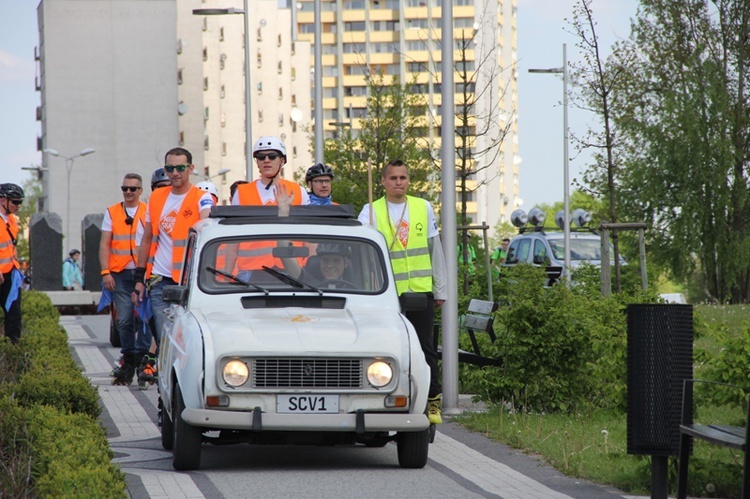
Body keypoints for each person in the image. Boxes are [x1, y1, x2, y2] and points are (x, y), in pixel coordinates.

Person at [357, 159, 448, 424]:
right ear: (383, 182)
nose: (399, 182)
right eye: (393, 178)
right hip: (386, 294)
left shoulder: (423, 207)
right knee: (385, 347)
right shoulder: (370, 211)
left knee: (425, 348)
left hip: (420, 291)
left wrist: (440, 288)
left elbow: (435, 250)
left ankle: (432, 401)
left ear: (409, 181)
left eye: (403, 178)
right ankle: (385, 398)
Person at [132, 148, 214, 392]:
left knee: (184, 340)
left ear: (191, 168)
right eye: (170, 168)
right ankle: (164, 393)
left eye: (180, 168)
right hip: (159, 279)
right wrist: (139, 278)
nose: (175, 173)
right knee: (164, 339)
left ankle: (183, 387)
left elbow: (208, 220)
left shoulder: (202, 197)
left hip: (188, 283)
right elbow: (147, 239)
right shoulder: (156, 199)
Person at [100, 173, 151, 386]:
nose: (128, 192)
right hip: (120, 274)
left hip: (143, 273)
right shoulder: (112, 212)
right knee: (125, 319)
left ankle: (143, 359)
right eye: (125, 188)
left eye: (133, 189)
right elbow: (104, 244)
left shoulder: (149, 210)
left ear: (140, 191)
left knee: (145, 319)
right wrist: (105, 272)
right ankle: (128, 358)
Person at [231, 136, 310, 206]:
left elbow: (306, 222)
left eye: (272, 156)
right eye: (261, 157)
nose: (266, 160)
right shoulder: (240, 193)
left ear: (282, 161)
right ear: (257, 162)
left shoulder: (299, 191)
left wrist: (285, 210)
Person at [0, 183, 24, 343]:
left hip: (10, 274)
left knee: (14, 315)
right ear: (3, 200)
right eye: (15, 202)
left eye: (20, 202)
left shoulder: (12, 221)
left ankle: (13, 350)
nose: (18, 206)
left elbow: (11, 245)